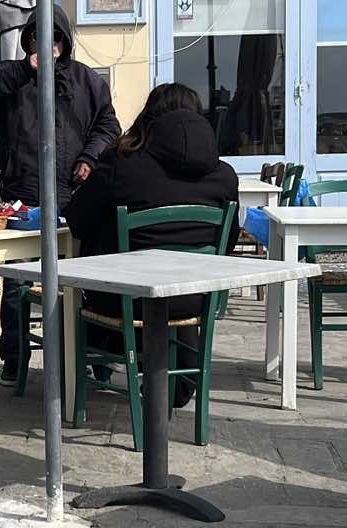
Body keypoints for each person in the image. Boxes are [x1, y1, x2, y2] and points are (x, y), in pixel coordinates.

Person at [0, 4, 120, 384]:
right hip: (22, 194)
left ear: (64, 41)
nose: (47, 44)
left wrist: (89, 157)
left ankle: (90, 357)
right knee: (17, 281)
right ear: (28, 40)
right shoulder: (9, 73)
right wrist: (23, 70)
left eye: (54, 37)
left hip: (74, 197)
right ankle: (14, 360)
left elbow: (108, 125)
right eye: (38, 37)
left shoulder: (86, 81)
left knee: (84, 279)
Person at [63, 83, 240, 407]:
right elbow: (228, 243)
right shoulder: (225, 175)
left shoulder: (121, 163)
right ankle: (174, 380)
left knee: (69, 299)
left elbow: (76, 219)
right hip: (196, 299)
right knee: (173, 288)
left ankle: (91, 369)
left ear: (150, 117)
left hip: (127, 298)